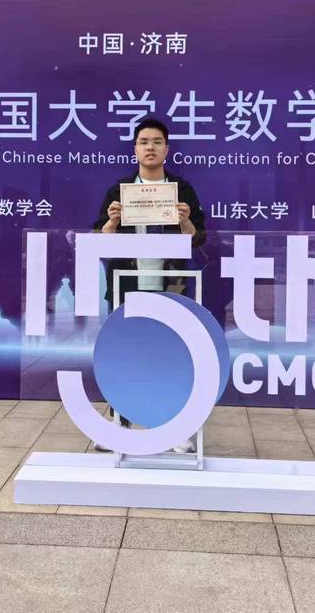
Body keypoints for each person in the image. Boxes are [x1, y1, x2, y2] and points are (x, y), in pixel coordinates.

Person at [91, 118, 206, 453]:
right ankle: (118, 422)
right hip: (126, 284)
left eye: (157, 142)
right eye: (144, 142)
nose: (150, 147)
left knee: (168, 354)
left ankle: (170, 426)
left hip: (171, 285)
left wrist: (185, 220)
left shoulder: (181, 190)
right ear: (135, 149)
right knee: (124, 353)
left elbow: (199, 237)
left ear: (167, 149)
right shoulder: (119, 190)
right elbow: (100, 237)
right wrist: (112, 222)